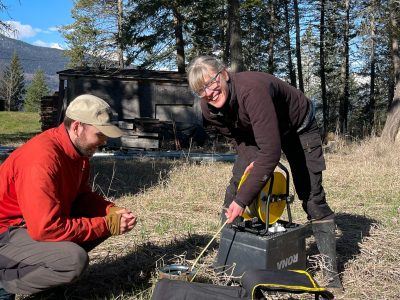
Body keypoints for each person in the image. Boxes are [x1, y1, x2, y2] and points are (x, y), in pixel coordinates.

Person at [187, 56, 343, 291]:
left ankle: (331, 274)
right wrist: (249, 167)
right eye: (201, 90)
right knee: (235, 189)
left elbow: (271, 153)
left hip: (298, 127)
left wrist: (244, 199)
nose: (209, 92)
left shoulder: (253, 92)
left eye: (212, 83)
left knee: (311, 196)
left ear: (225, 75)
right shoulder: (208, 110)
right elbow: (237, 138)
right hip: (256, 134)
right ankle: (227, 265)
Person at [0, 94, 137, 299]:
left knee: (106, 221)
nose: (104, 141)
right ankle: (5, 284)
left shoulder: (77, 153)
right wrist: (106, 225)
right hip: (5, 234)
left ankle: (43, 278)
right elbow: (45, 229)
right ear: (77, 127)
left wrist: (110, 211)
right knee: (73, 261)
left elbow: (81, 198)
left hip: (28, 226)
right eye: (100, 134)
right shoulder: (41, 160)